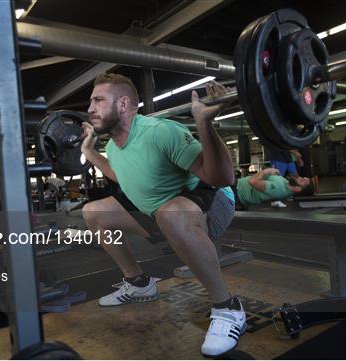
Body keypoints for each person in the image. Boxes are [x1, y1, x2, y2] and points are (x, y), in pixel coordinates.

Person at [80, 73, 241, 357]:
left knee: (170, 214)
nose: (90, 108)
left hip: (214, 203)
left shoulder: (159, 131)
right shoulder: (114, 145)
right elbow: (121, 175)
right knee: (94, 212)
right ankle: (139, 285)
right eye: (91, 101)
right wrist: (88, 151)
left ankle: (227, 307)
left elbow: (222, 177)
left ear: (123, 104)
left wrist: (204, 124)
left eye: (98, 100)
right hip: (162, 212)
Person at [233, 167, 311, 209]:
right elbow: (272, 178)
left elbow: (252, 181)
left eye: (303, 181)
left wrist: (266, 171)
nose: (301, 178)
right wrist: (273, 173)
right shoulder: (286, 183)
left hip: (236, 191)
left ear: (299, 189)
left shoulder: (279, 190)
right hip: (238, 185)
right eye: (303, 177)